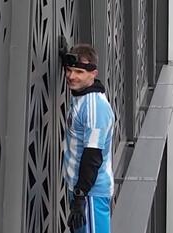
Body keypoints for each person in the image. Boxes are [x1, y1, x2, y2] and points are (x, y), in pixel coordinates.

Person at [62, 44, 114, 233]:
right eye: (68, 70)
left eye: (79, 72)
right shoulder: (81, 96)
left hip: (91, 193)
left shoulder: (95, 108)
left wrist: (80, 196)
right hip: (82, 190)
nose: (71, 76)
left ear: (93, 73)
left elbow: (93, 156)